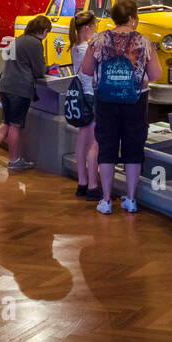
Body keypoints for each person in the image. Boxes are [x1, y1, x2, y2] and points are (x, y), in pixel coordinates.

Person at [79, 0, 162, 215]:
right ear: (133, 18)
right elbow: (156, 74)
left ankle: (106, 200)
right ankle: (131, 199)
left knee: (106, 149)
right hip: (135, 101)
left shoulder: (98, 40)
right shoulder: (144, 42)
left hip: (105, 100)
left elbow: (86, 69)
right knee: (133, 149)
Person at [0, 15, 51, 173]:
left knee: (6, 122)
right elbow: (39, 70)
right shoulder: (35, 43)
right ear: (44, 30)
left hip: (5, 86)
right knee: (15, 125)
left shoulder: (18, 40)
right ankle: (14, 160)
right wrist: (48, 68)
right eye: (47, 32)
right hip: (20, 89)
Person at [68, 10, 101, 201]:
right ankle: (93, 185)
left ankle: (82, 182)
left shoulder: (74, 47)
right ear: (87, 28)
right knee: (94, 144)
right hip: (92, 97)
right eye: (95, 27)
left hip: (80, 98)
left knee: (81, 142)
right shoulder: (88, 48)